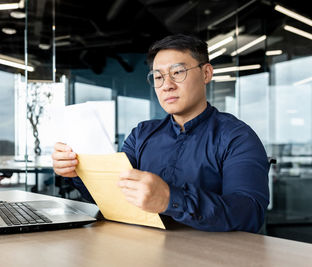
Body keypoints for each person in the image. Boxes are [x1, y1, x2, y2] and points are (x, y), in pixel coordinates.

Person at [52, 33, 269, 233]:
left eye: (177, 72)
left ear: (206, 73)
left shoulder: (237, 137)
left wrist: (170, 199)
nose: (167, 85)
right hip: (141, 249)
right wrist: (79, 172)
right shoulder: (141, 134)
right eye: (158, 77)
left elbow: (250, 213)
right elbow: (115, 199)